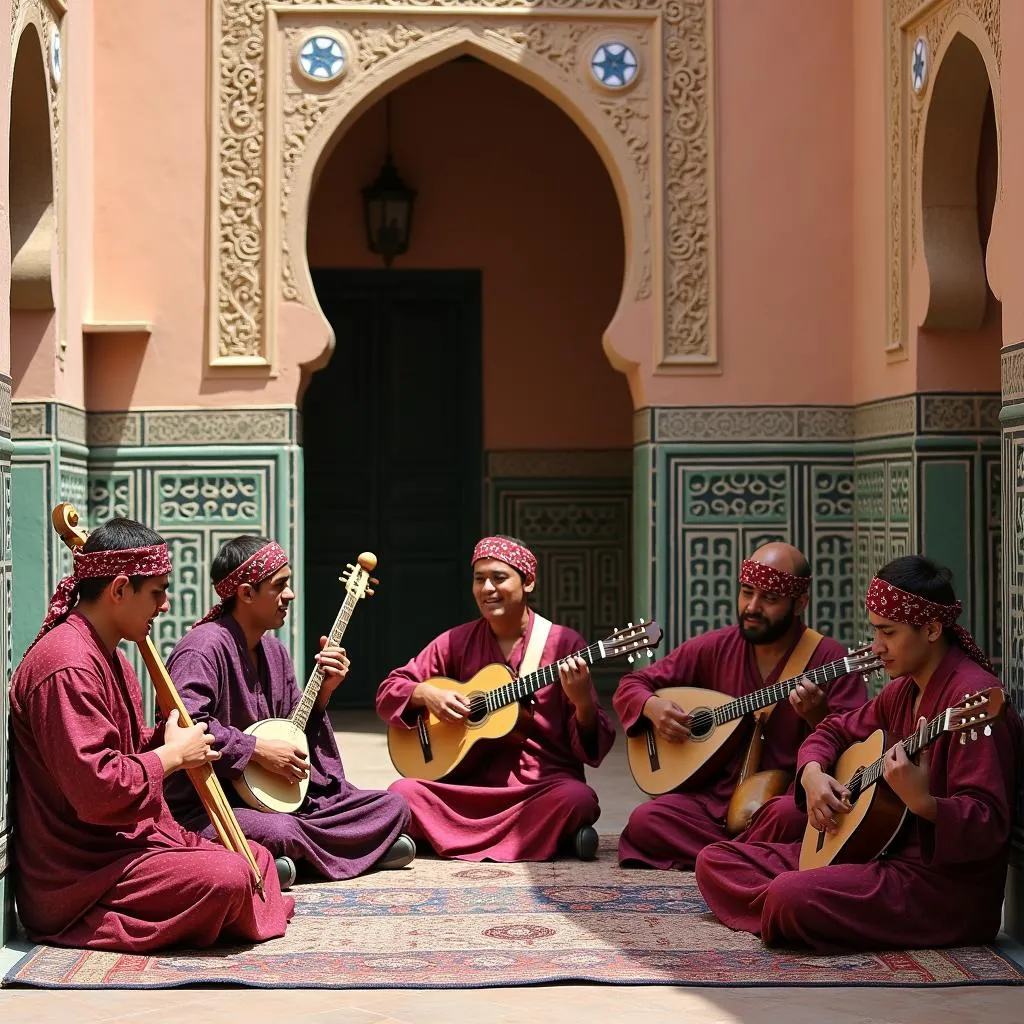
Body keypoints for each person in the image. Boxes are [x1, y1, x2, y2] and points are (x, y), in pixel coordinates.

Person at [695, 555, 1022, 951]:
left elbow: (990, 826)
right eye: (874, 631)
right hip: (873, 853)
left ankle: (794, 903)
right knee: (714, 860)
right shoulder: (903, 689)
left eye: (889, 632)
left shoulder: (972, 702)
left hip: (937, 889)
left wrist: (924, 803)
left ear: (932, 629)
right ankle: (803, 902)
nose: (877, 647)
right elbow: (835, 728)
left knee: (789, 895)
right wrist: (813, 773)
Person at [9, 517, 292, 952]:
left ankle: (225, 906)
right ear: (120, 589)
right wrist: (172, 756)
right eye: (157, 592)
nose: (165, 606)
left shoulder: (116, 659)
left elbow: (125, 752)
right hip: (80, 876)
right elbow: (97, 788)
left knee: (255, 857)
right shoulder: (66, 665)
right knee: (231, 876)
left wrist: (163, 738)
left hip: (125, 845)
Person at [164, 536, 414, 889]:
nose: (291, 595)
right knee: (280, 830)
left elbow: (292, 730)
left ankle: (284, 862)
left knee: (393, 805)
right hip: (210, 805)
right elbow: (188, 728)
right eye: (280, 585)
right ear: (247, 593)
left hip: (277, 798)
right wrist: (257, 751)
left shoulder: (274, 651)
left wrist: (324, 691)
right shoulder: (202, 649)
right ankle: (338, 851)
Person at [614, 542, 869, 869]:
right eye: (747, 592)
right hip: (713, 799)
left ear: (799, 603)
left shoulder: (828, 658)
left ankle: (724, 855)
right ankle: (743, 856)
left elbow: (852, 744)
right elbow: (632, 685)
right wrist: (652, 707)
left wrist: (817, 715)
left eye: (770, 599)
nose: (752, 606)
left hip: (780, 799)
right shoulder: (715, 647)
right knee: (647, 820)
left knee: (792, 819)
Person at [376, 535, 616, 861]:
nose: (487, 588)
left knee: (577, 799)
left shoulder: (562, 643)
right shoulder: (455, 641)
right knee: (402, 793)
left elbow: (593, 747)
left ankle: (436, 838)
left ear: (528, 581)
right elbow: (391, 689)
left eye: (499, 578)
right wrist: (426, 693)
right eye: (479, 579)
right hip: (466, 788)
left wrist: (583, 703)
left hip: (536, 789)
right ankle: (555, 840)